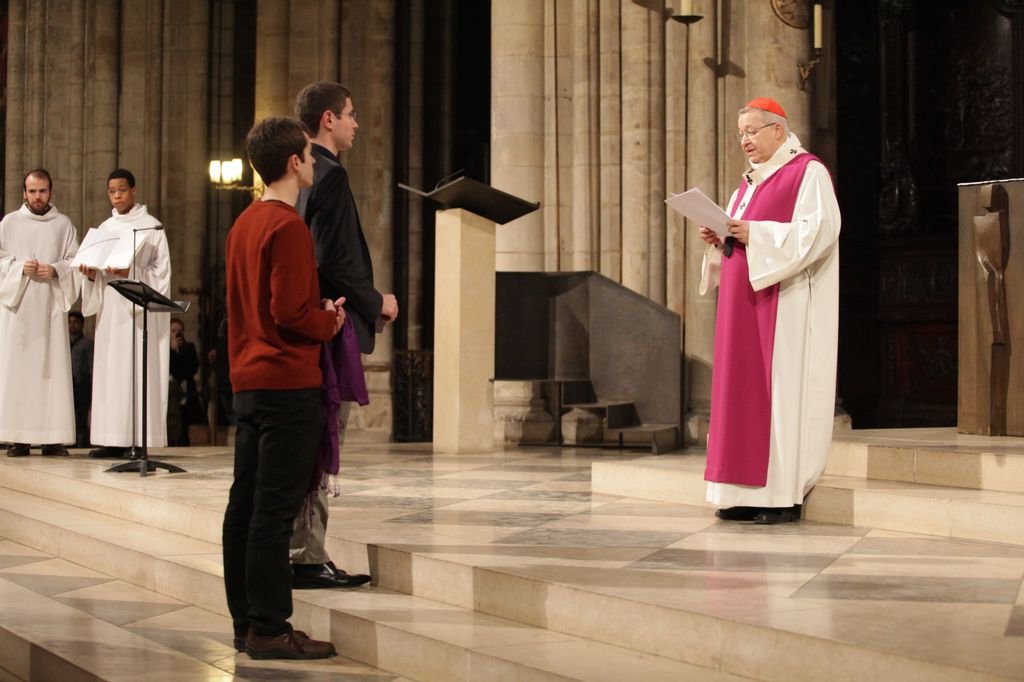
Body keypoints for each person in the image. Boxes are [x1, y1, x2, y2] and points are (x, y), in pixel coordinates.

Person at [221, 116, 342, 660]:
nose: (315, 163)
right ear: (293, 161)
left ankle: (246, 622)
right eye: (310, 156)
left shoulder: (244, 222)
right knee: (274, 511)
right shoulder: (287, 226)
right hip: (287, 382)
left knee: (244, 506)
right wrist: (330, 321)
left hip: (248, 380)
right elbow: (290, 312)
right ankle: (270, 628)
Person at [698, 97, 841, 525]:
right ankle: (740, 493)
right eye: (741, 133)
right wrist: (720, 237)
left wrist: (753, 233)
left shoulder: (807, 173)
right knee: (737, 395)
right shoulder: (746, 186)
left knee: (778, 394)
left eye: (752, 131)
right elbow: (739, 237)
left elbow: (821, 231)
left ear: (778, 130)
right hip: (741, 307)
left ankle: (780, 496)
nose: (745, 140)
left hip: (786, 306)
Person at [290, 81, 398, 589]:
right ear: (328, 119)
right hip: (331, 323)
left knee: (315, 440)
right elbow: (332, 258)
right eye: (351, 115)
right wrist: (378, 301)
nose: (357, 123)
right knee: (322, 440)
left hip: (312, 318)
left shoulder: (301, 172)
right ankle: (306, 559)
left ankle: (305, 554)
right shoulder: (327, 174)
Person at [80, 169, 172, 458]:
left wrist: (132, 271)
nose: (117, 195)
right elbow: (94, 270)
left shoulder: (151, 227)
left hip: (136, 314)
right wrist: (90, 274)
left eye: (122, 189)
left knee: (135, 372)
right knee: (110, 375)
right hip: (110, 312)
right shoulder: (104, 229)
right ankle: (110, 439)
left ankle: (136, 439)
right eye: (112, 191)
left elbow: (162, 273)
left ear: (134, 190)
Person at [0, 169, 80, 457]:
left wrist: (56, 269)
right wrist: (20, 267)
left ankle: (53, 438)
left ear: (51, 192)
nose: (37, 196)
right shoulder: (9, 223)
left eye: (42, 191)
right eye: (32, 191)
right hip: (18, 312)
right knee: (19, 373)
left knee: (52, 372)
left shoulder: (63, 224)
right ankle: (18, 438)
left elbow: (76, 261)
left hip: (49, 310)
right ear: (24, 192)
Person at [168, 317, 203, 446]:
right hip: (171, 391)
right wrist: (172, 350)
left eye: (179, 330)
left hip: (186, 389)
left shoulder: (189, 347)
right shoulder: (165, 349)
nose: (176, 333)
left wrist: (179, 352)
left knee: (186, 420)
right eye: (173, 330)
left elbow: (192, 368)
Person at [68, 311, 94, 448]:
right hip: (68, 387)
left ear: (82, 325)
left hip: (81, 386)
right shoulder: (64, 343)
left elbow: (91, 366)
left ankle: (81, 446)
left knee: (81, 420)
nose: (72, 325)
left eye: (76, 322)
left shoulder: (87, 344)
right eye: (70, 322)